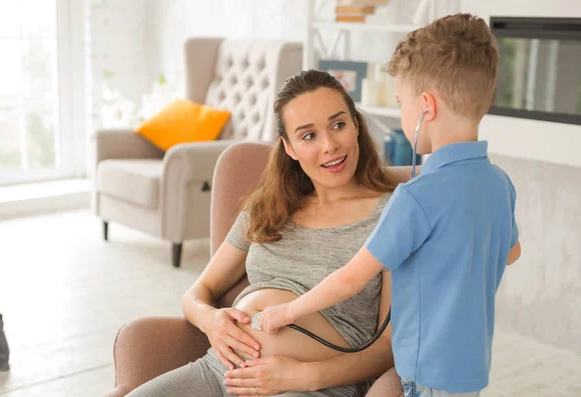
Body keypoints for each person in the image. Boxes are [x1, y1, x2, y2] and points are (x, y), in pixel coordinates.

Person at [258, 13, 522, 397]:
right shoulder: (500, 183)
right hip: (471, 368)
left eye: (402, 103)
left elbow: (351, 277)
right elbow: (511, 253)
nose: (403, 113)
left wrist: (288, 312)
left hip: (425, 369)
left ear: (426, 108)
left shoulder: (418, 195)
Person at [127, 69, 410, 397]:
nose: (330, 145)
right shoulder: (269, 207)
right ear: (289, 147)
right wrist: (211, 321)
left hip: (312, 388)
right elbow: (197, 292)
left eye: (338, 125)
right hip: (219, 372)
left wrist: (301, 377)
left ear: (356, 125)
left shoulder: (394, 213)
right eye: (308, 136)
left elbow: (388, 346)